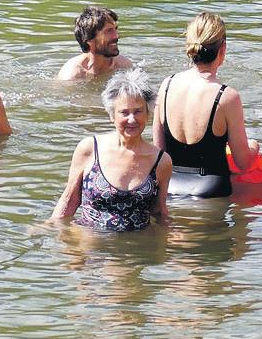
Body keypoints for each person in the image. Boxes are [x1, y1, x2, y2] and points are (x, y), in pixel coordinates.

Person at [153, 12, 262, 198]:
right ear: (223, 48)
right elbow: (243, 162)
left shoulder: (166, 85)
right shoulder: (227, 96)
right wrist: (253, 146)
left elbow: (159, 152)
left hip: (170, 189)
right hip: (211, 192)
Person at [50, 71, 171, 231]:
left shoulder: (161, 161)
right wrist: (49, 228)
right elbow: (69, 200)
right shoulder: (89, 149)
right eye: (124, 112)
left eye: (138, 111)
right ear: (111, 115)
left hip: (137, 251)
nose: (132, 119)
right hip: (90, 246)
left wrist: (171, 241)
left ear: (148, 113)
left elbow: (159, 211)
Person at [56, 5, 133, 83]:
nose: (117, 35)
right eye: (109, 31)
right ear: (89, 39)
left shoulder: (124, 66)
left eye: (115, 29)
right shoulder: (71, 76)